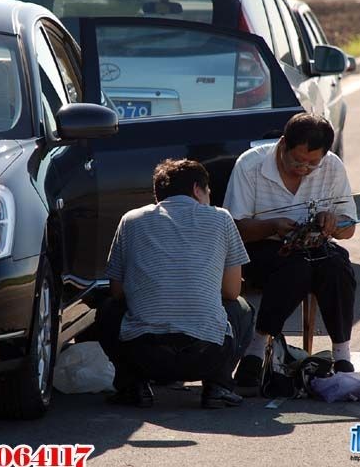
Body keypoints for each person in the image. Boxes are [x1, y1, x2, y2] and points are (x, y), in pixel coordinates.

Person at [97, 158, 254, 408]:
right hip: (206, 355)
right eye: (208, 191)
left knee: (107, 309)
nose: (210, 196)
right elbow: (231, 291)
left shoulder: (131, 220)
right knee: (242, 309)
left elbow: (117, 291)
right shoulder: (221, 219)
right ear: (196, 189)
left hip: (143, 354)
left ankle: (133, 386)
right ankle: (218, 386)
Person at [222, 113, 358, 393]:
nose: (304, 168)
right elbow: (234, 228)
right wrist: (271, 225)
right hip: (259, 248)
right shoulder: (251, 165)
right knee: (295, 268)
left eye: (312, 163)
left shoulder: (332, 167)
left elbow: (349, 228)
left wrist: (332, 221)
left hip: (312, 246)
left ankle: (342, 355)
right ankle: (256, 350)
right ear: (282, 144)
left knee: (337, 266)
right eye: (297, 160)